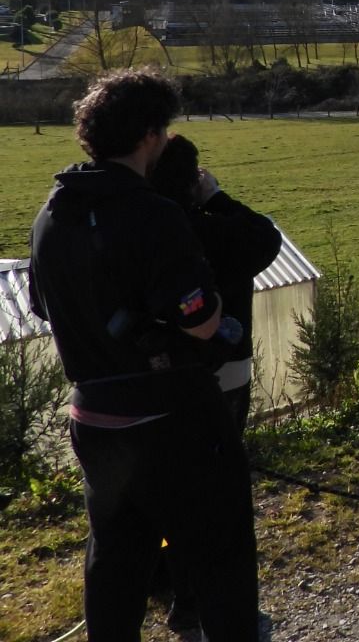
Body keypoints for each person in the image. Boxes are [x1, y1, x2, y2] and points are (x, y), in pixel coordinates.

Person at [27, 67, 259, 642]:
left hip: (94, 417)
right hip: (174, 418)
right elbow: (201, 322)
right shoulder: (155, 214)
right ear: (150, 134)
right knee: (221, 561)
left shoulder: (51, 214)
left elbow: (40, 307)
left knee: (115, 562)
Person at [148, 134, 283, 431]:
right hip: (229, 362)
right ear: (192, 182)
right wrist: (215, 198)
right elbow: (267, 235)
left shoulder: (148, 231)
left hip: (159, 369)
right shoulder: (215, 231)